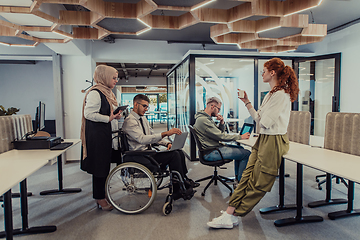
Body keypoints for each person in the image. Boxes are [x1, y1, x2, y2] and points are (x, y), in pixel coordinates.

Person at [207, 57, 299, 229]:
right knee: (246, 177)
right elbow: (258, 118)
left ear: (272, 73)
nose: (262, 74)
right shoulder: (271, 94)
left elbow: (265, 122)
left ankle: (235, 214)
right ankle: (229, 212)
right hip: (264, 138)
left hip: (273, 140)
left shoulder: (281, 95)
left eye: (263, 71)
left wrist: (261, 116)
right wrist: (247, 102)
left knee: (260, 182)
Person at [122, 94, 199, 200]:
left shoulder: (142, 119)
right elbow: (142, 139)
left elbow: (152, 135)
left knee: (178, 151)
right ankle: (178, 189)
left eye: (147, 106)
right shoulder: (130, 121)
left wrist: (166, 143)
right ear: (136, 104)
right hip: (140, 155)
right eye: (144, 106)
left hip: (147, 153)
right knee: (174, 155)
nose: (146, 109)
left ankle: (184, 180)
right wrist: (166, 133)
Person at [80, 65, 123, 211]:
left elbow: (105, 113)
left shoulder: (106, 93)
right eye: (113, 77)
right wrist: (109, 118)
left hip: (103, 134)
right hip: (96, 137)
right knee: (99, 167)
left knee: (103, 166)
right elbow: (89, 114)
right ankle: (99, 198)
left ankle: (102, 194)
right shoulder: (95, 93)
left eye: (116, 77)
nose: (116, 80)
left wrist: (114, 115)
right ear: (104, 77)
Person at [193, 97, 251, 185]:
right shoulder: (203, 120)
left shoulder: (205, 118)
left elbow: (218, 133)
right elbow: (221, 136)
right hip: (211, 152)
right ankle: (240, 183)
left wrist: (222, 123)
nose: (219, 112)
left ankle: (237, 178)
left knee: (241, 148)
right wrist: (240, 137)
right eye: (218, 109)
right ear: (213, 106)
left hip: (213, 148)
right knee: (246, 153)